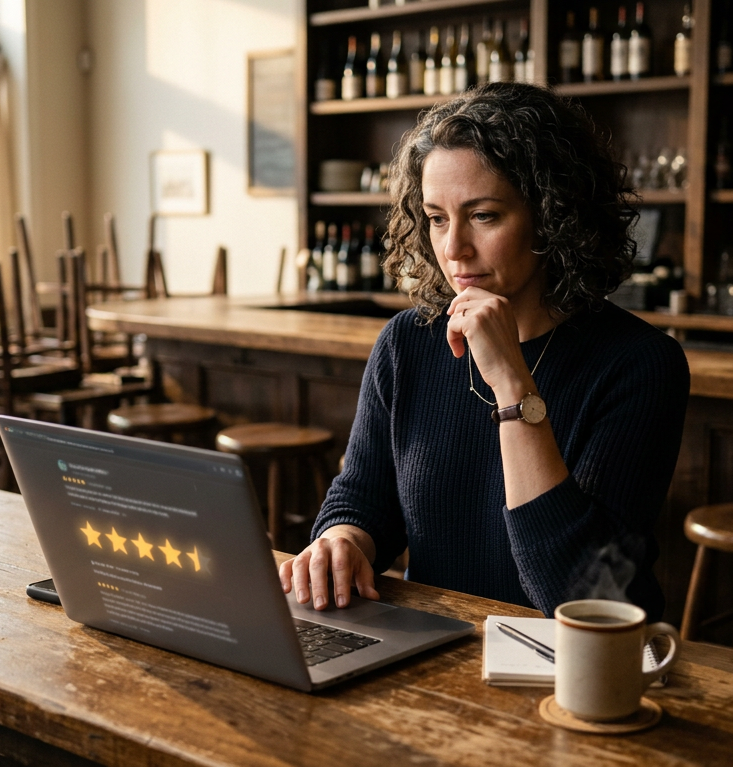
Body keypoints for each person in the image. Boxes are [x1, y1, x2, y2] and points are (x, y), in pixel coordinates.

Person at [278, 82, 689, 618]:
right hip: (440, 649)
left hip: (578, 669)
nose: (453, 250)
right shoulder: (407, 343)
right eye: (437, 217)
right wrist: (343, 541)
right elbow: (363, 496)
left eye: (484, 215)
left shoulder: (641, 364)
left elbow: (581, 595)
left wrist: (513, 386)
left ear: (553, 214)